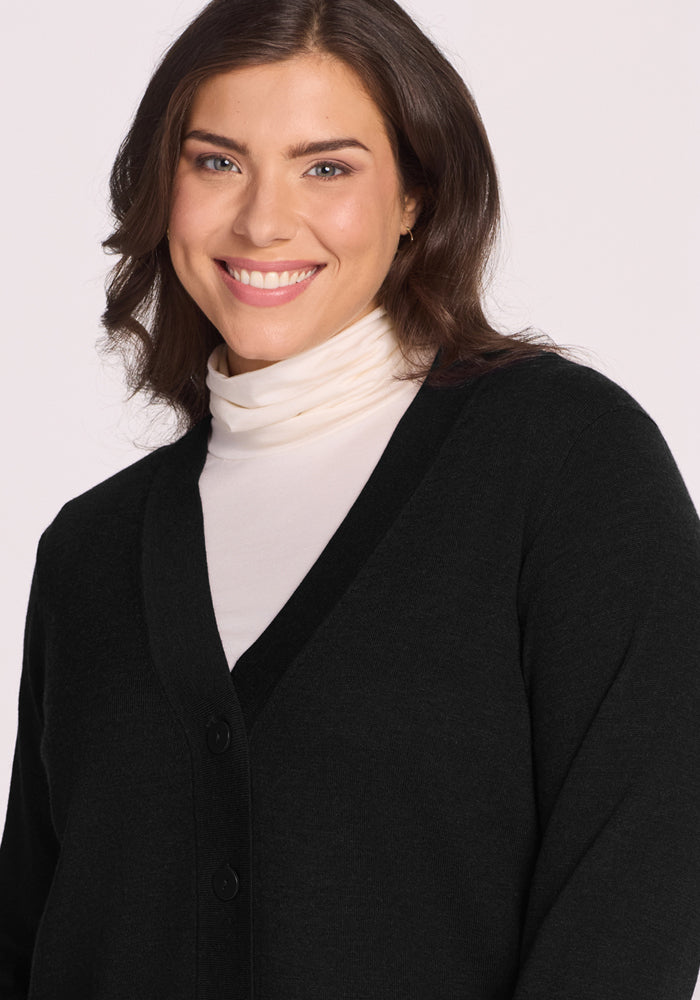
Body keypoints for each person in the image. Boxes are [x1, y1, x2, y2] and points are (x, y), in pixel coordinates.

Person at [1, 0, 699, 997]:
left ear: (415, 193)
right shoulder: (90, 552)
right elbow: (33, 937)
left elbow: (630, 901)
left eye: (325, 166)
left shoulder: (564, 462)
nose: (262, 220)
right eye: (216, 161)